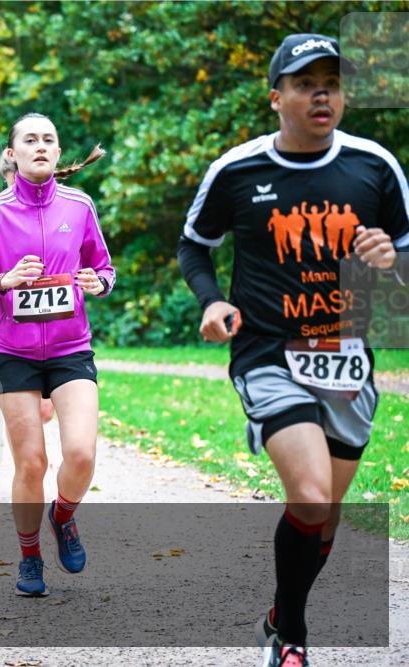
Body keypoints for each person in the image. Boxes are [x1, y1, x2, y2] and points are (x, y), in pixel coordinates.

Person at [177, 33, 408, 667]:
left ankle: (280, 613)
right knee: (308, 494)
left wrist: (392, 260)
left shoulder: (375, 166)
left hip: (347, 356)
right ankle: (293, 638)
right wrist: (211, 302)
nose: (321, 95)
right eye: (306, 84)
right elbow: (195, 244)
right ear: (276, 97)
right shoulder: (237, 170)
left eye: (331, 84)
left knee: (325, 514)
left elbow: (405, 253)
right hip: (268, 352)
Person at [0, 113, 110, 598]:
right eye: (30, 139)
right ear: (12, 153)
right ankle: (29, 556)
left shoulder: (80, 205)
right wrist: (3, 281)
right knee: (32, 463)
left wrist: (98, 282)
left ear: (58, 153)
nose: (40, 146)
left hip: (70, 348)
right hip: (14, 354)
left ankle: (63, 515)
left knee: (81, 453)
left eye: (48, 140)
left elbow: (104, 268)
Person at [0, 149, 55, 425]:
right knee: (23, 411)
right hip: (6, 319)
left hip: (53, 320)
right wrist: (2, 279)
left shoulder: (58, 206)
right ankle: (20, 444)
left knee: (45, 411)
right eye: (13, 180)